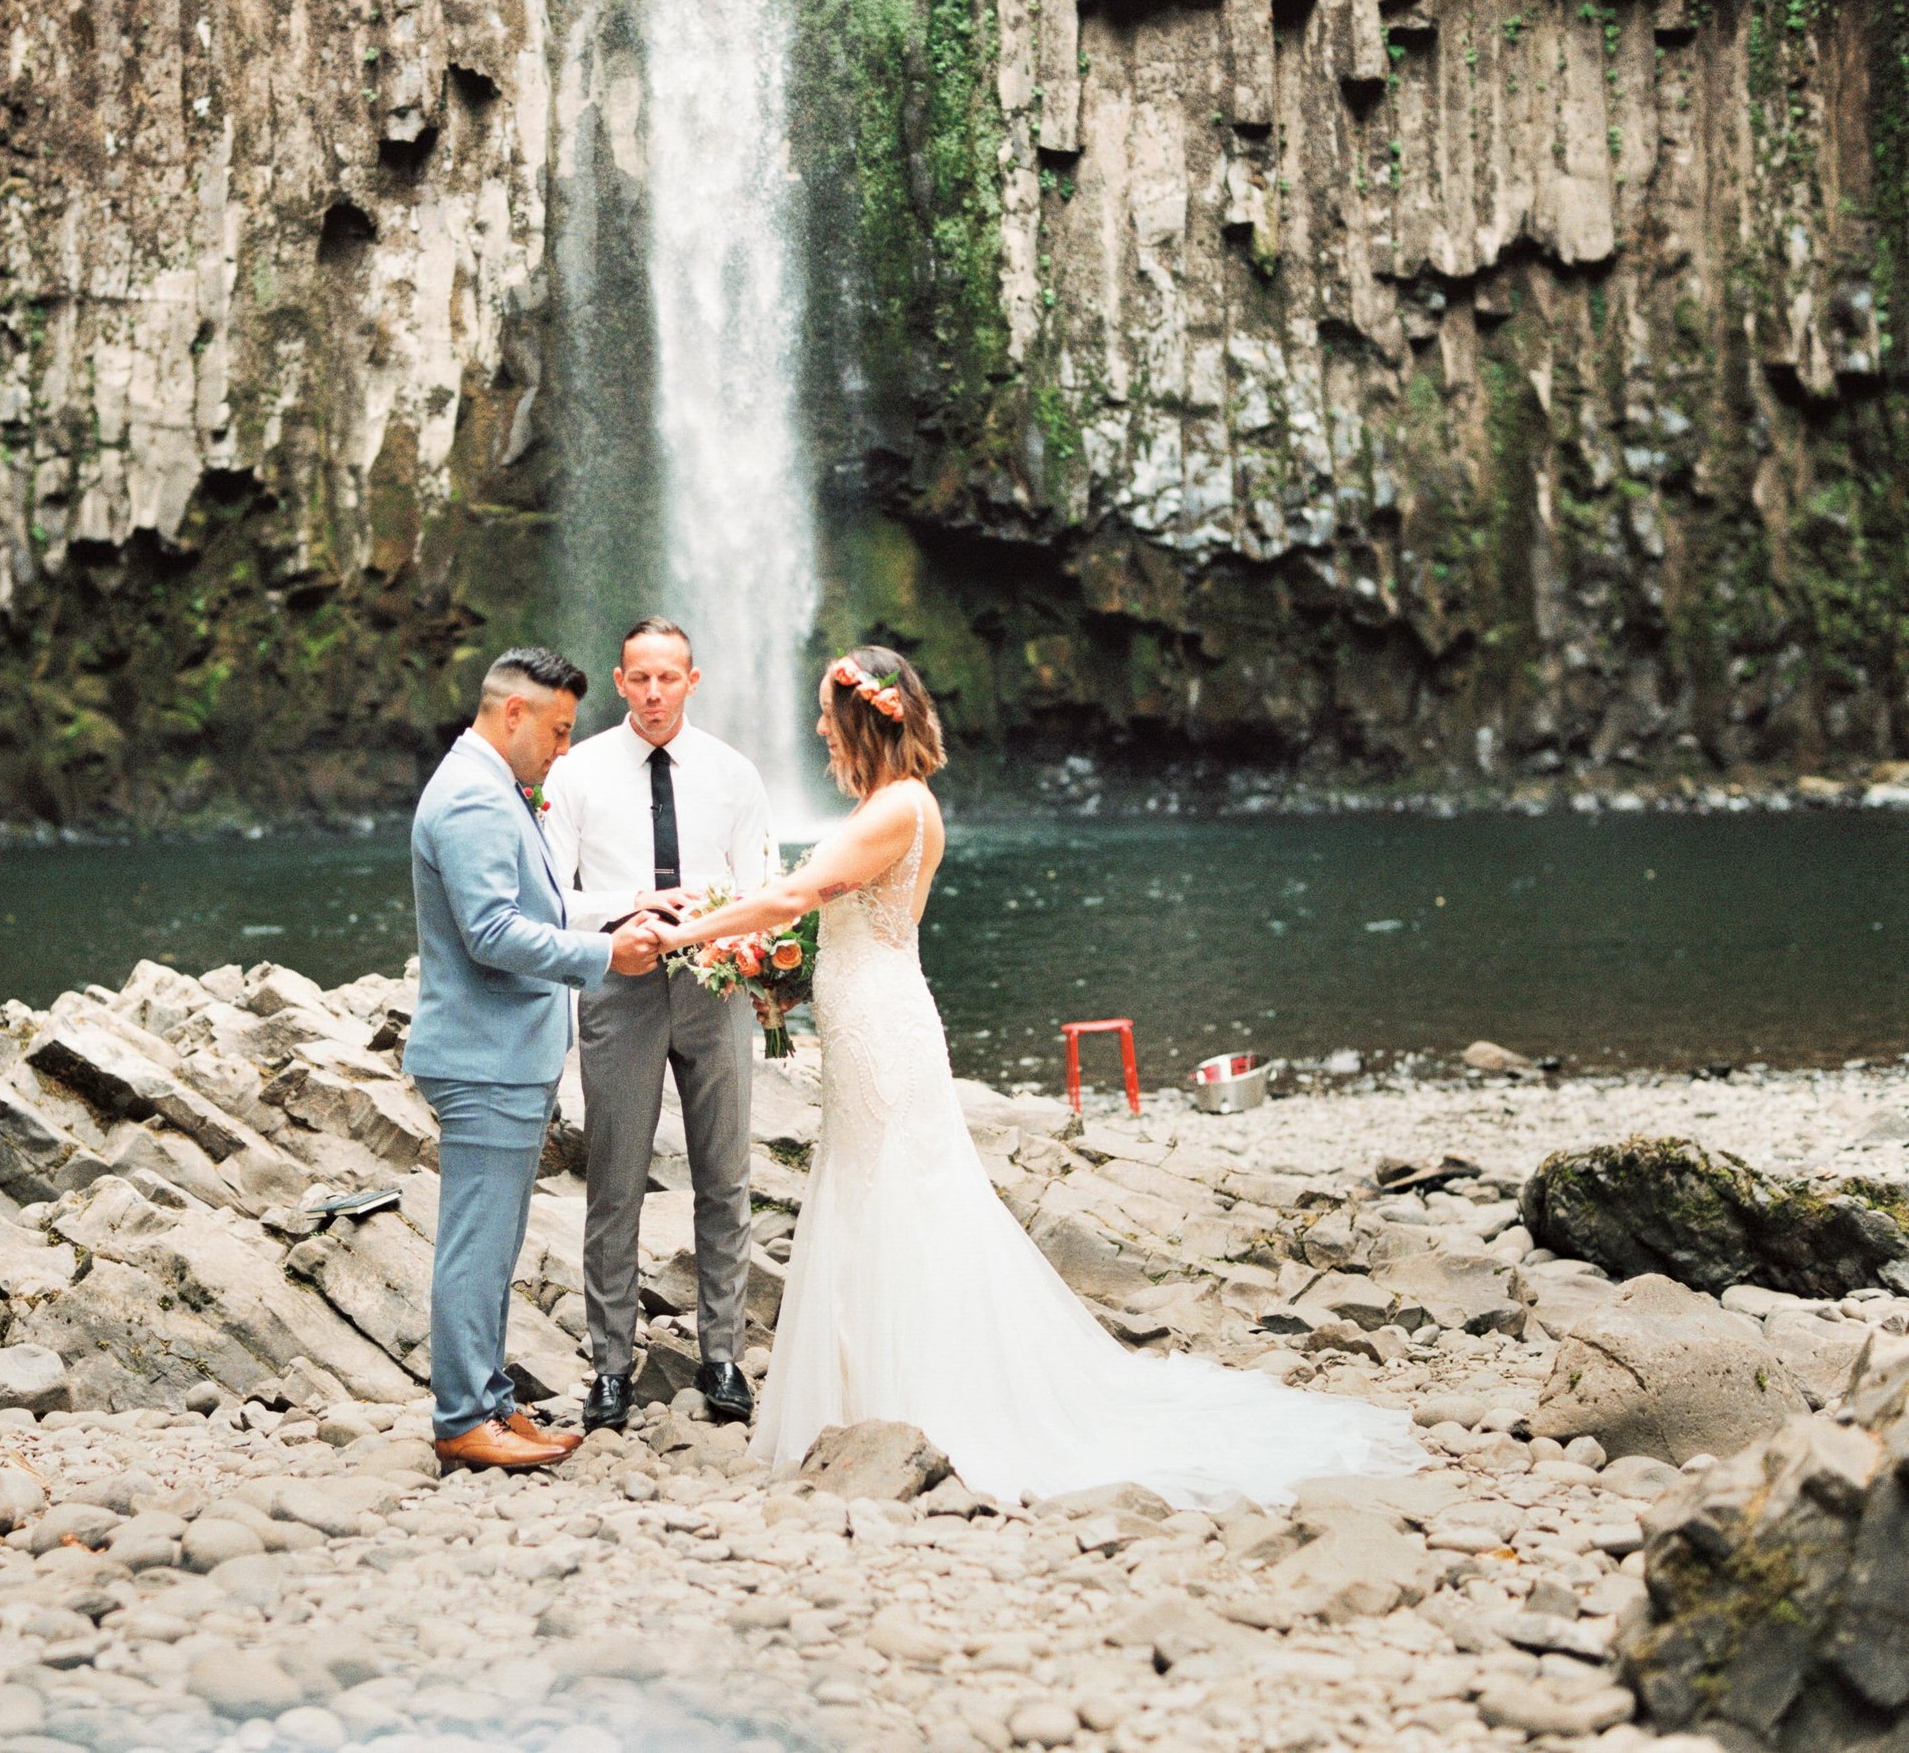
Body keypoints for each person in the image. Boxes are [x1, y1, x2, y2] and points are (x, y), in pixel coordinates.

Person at [651, 646, 1424, 1506]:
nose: (821, 728)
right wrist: (752, 948)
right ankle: (867, 1401)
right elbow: (821, 915)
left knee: (894, 1198)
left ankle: (912, 1407)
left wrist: (691, 933)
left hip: (881, 1027)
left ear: (867, 721)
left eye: (831, 715)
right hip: (866, 1015)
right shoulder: (890, 804)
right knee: (873, 1190)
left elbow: (801, 894)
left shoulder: (898, 806)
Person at [404, 646, 667, 1471]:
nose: (563, 750)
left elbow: (531, 904)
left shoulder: (486, 785)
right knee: (476, 1242)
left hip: (501, 1052)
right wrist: (606, 955)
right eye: (556, 732)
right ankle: (461, 1418)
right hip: (483, 1056)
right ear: (511, 712)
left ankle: (487, 1400)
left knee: (495, 1237)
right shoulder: (475, 798)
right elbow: (489, 934)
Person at [542, 618, 777, 1431]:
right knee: (613, 1180)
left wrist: (722, 928)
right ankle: (609, 1366)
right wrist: (629, 906)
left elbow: (764, 886)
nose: (652, 693)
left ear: (692, 680)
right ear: (618, 681)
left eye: (667, 678)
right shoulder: (576, 775)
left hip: (715, 987)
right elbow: (550, 898)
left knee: (725, 1174)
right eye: (639, 678)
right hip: (620, 983)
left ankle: (723, 1357)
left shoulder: (734, 774)